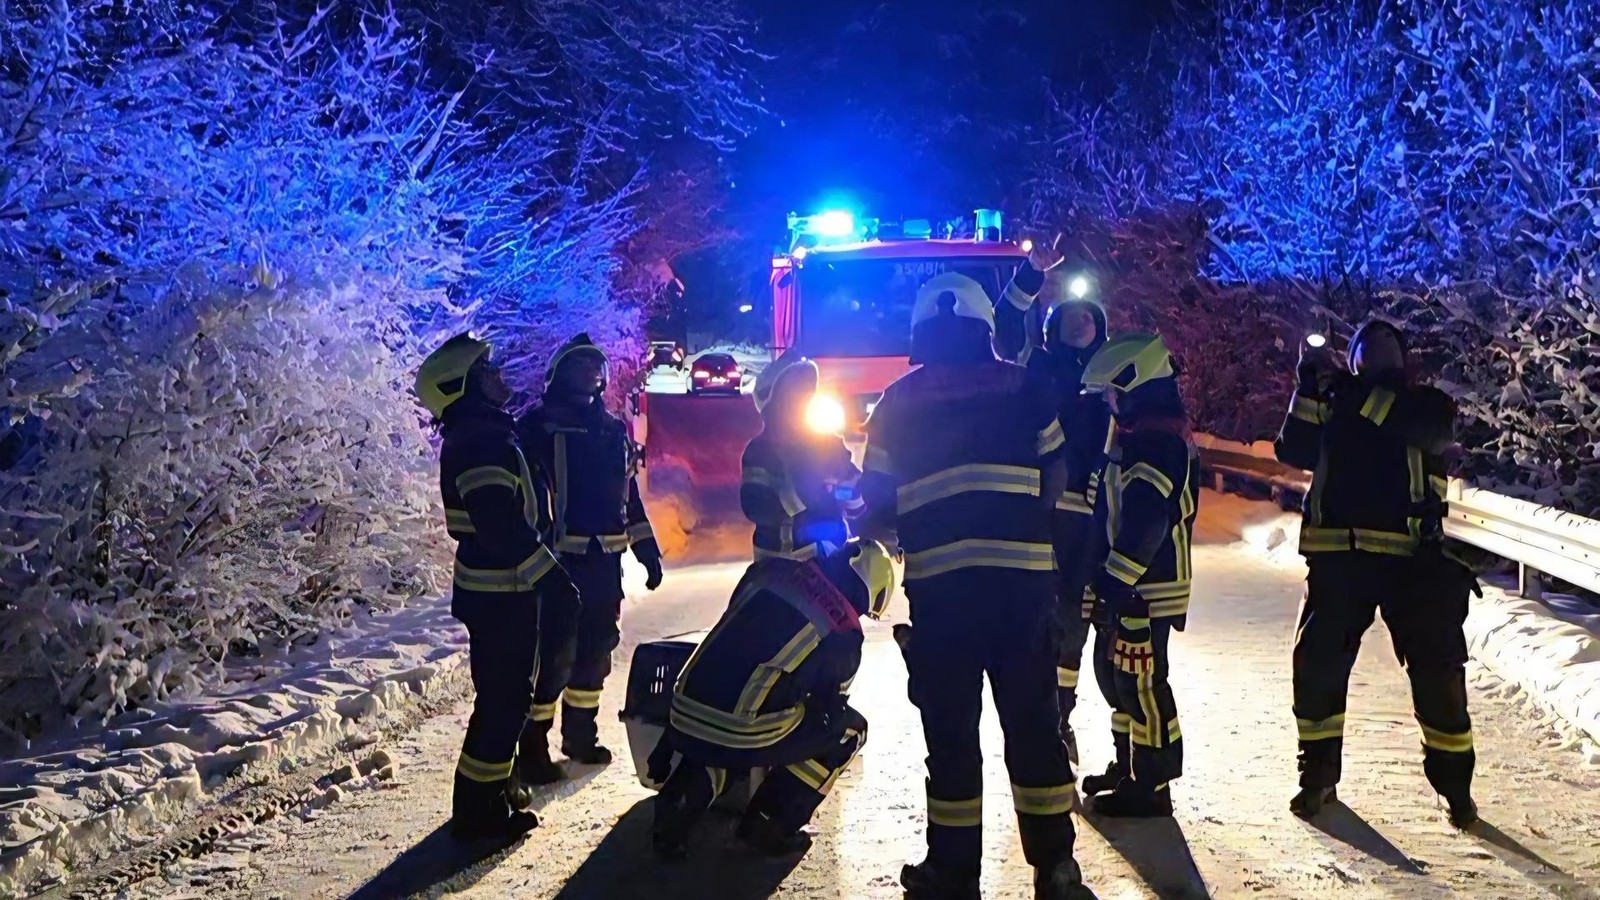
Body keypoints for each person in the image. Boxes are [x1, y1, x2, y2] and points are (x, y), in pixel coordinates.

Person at [859, 272, 1093, 900]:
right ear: (984, 327)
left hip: (943, 595)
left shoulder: (896, 403)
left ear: (920, 332)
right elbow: (1057, 471)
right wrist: (1025, 527)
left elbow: (876, 499)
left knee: (952, 735)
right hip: (1021, 590)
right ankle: (1056, 868)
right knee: (1035, 727)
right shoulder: (1025, 386)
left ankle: (954, 872)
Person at [1274, 319, 1478, 827]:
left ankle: (1456, 789)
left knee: (1437, 674)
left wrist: (1353, 395)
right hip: (1338, 558)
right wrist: (1307, 389)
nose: (1377, 351)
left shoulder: (1427, 405)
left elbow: (1425, 430)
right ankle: (1317, 777)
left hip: (1412, 561)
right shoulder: (1333, 400)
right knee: (1317, 668)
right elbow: (1294, 449)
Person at [415, 333, 579, 839]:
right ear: (462, 385)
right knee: (504, 703)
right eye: (486, 370)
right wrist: (550, 575)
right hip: (500, 592)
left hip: (498, 591)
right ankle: (478, 813)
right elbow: (500, 526)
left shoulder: (482, 432)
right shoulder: (483, 440)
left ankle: (492, 792)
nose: (498, 374)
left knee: (502, 699)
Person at [648, 538, 895, 859]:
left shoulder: (769, 569)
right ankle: (769, 823)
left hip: (683, 704)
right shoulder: (844, 632)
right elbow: (829, 706)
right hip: (740, 726)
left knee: (736, 723)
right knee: (846, 731)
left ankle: (677, 809)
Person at [514, 334, 664, 782]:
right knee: (552, 657)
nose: (590, 372)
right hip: (557, 564)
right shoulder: (536, 429)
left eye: (594, 365)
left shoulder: (612, 431)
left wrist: (647, 551)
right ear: (559, 374)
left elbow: (628, 497)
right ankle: (532, 748)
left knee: (596, 651)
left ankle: (580, 737)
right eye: (580, 365)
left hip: (603, 564)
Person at [1073, 333, 1199, 819]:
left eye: (1113, 391)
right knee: (1117, 679)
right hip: (1130, 586)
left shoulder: (1156, 444)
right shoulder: (1140, 437)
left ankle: (1152, 784)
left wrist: (1114, 581)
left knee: (1143, 684)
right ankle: (1128, 768)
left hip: (1145, 589)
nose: (1109, 401)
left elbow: (1146, 522)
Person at [740, 349, 861, 561]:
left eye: (805, 394)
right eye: (793, 395)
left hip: (831, 557)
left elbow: (857, 504)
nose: (801, 401)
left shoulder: (827, 444)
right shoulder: (760, 451)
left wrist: (851, 486)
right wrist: (807, 491)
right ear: (774, 404)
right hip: (780, 563)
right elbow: (755, 506)